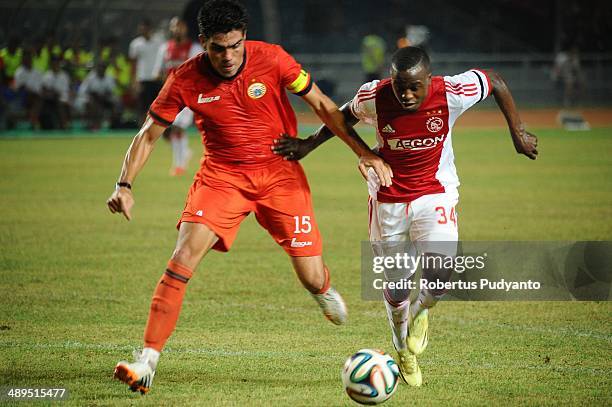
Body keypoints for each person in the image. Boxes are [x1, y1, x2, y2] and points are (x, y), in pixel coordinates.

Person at [106, 0, 391, 395]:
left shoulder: (273, 59)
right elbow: (148, 134)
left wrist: (364, 151)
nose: (228, 56)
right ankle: (147, 361)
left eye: (235, 45)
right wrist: (124, 184)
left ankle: (322, 290)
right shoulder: (184, 78)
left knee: (310, 276)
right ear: (202, 42)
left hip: (280, 176)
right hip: (222, 178)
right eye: (218, 48)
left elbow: (324, 106)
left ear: (245, 37)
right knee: (182, 258)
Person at [273, 46, 538, 386]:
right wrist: (313, 144)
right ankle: (402, 346)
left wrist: (517, 132)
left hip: (435, 193)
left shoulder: (452, 92)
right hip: (389, 201)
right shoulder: (375, 96)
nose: (407, 94)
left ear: (429, 80)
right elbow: (342, 116)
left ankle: (422, 313)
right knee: (397, 289)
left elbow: (496, 81)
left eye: (415, 86)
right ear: (391, 80)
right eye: (401, 86)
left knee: (440, 274)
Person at [152, 16, 203, 176]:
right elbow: (157, 72)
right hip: (170, 96)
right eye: (174, 26)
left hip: (188, 96)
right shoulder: (164, 48)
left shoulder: (194, 48)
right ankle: (185, 153)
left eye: (180, 26)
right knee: (166, 131)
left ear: (185, 28)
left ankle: (179, 165)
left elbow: (201, 71)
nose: (177, 29)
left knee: (177, 128)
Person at [129, 18, 164, 124]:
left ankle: (158, 128)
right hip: (143, 79)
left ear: (150, 29)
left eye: (145, 28)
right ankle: (142, 130)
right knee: (143, 108)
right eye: (141, 28)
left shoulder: (160, 41)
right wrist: (133, 82)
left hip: (157, 79)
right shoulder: (135, 44)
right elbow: (133, 65)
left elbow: (164, 59)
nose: (143, 30)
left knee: (159, 106)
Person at [77, 62, 119, 130]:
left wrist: (103, 96)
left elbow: (111, 92)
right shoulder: (90, 77)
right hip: (91, 99)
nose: (101, 69)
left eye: (103, 68)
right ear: (97, 69)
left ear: (105, 69)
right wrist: (95, 96)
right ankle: (93, 125)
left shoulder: (109, 77)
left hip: (104, 99)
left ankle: (113, 125)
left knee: (115, 103)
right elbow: (83, 91)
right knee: (92, 103)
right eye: (100, 67)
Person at [13, 50, 43, 129]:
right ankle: (34, 122)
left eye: (29, 58)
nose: (27, 60)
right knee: (33, 96)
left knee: (38, 98)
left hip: (37, 96)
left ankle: (33, 121)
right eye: (25, 59)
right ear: (23, 60)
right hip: (22, 97)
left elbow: (40, 87)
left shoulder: (37, 72)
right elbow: (18, 88)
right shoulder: (19, 72)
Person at [41, 55, 71, 129]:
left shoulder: (65, 75)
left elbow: (68, 90)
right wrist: (53, 93)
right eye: (54, 63)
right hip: (50, 100)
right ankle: (64, 125)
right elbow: (44, 90)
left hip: (64, 99)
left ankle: (65, 124)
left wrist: (69, 99)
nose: (55, 64)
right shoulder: (46, 76)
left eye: (57, 62)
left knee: (63, 102)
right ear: (51, 64)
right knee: (57, 101)